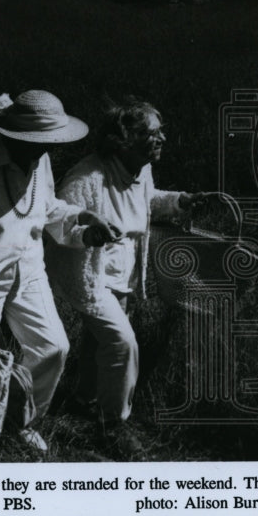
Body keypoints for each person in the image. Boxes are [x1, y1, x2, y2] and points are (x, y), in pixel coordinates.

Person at [0, 90, 119, 452]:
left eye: (50, 142)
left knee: (54, 348)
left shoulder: (38, 157)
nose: (47, 150)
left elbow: (45, 210)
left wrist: (82, 223)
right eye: (39, 142)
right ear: (13, 134)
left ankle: (21, 421)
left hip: (28, 268)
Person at [46, 99, 207, 456]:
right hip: (90, 276)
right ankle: (113, 425)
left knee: (98, 341)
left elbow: (147, 200)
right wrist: (86, 233)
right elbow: (59, 222)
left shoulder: (140, 169)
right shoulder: (86, 179)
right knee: (123, 343)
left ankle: (81, 400)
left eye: (160, 131)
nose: (162, 138)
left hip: (124, 275)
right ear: (123, 140)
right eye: (152, 133)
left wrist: (181, 200)